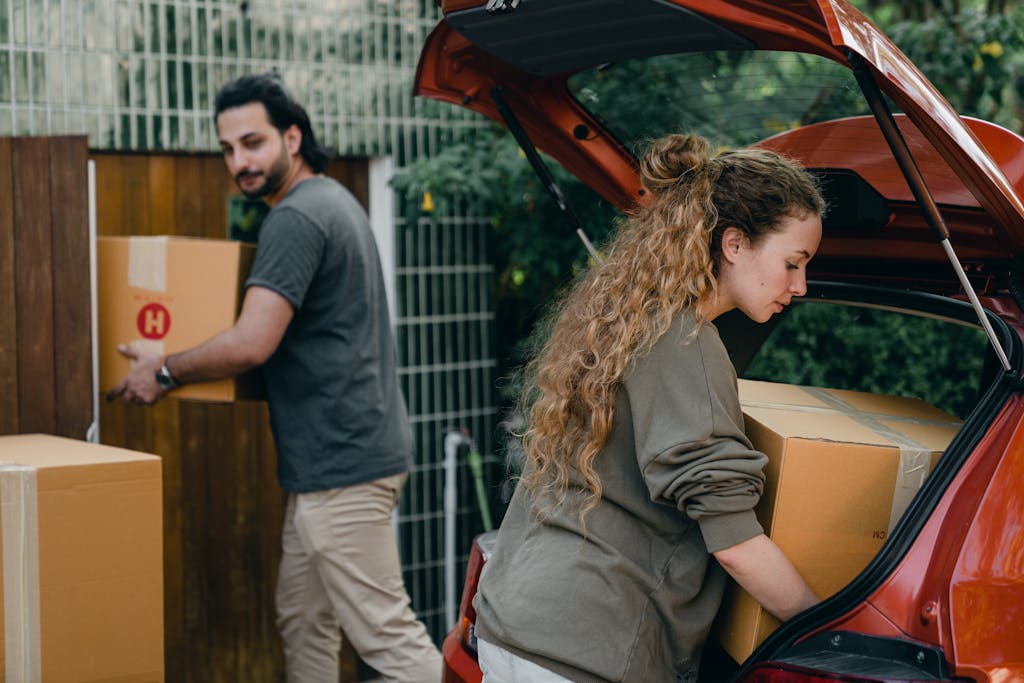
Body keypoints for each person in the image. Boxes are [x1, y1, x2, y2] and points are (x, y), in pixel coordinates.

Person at [107, 72, 443, 683]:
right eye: (228, 149)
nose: (240, 161)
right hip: (337, 462)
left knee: (392, 643)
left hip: (343, 468)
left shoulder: (296, 218)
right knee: (302, 617)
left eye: (253, 142)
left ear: (293, 137)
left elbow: (251, 342)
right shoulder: (335, 201)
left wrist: (163, 368)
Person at [473, 133, 824, 682]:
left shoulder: (625, 322)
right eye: (794, 263)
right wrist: (828, 628)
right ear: (734, 245)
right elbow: (736, 546)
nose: (801, 286)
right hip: (585, 651)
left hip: (510, 629)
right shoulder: (685, 345)